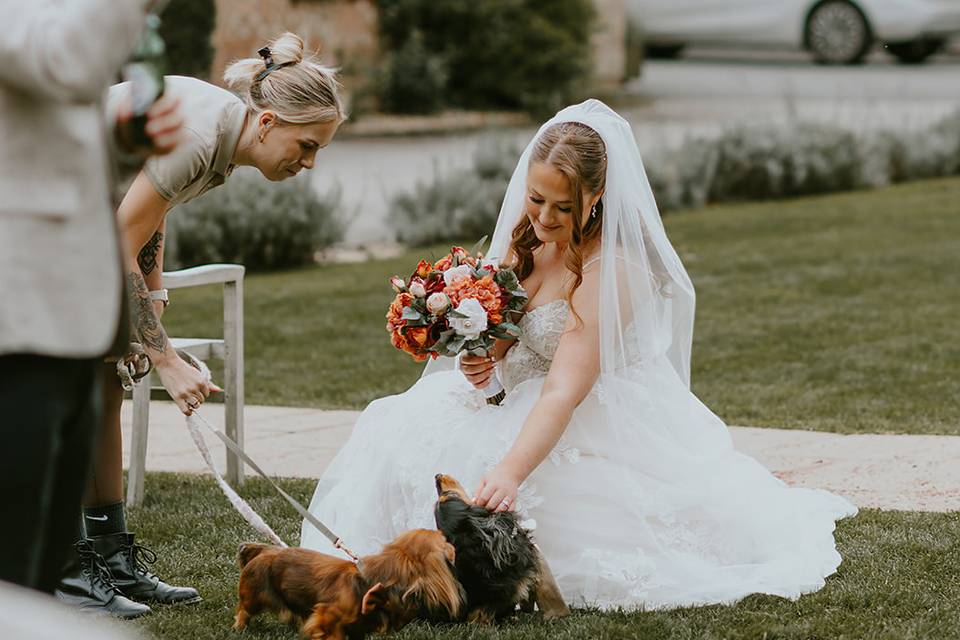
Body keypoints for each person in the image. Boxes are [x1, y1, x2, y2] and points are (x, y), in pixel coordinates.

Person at [301, 99, 858, 610]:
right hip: (516, 396)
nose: (542, 219)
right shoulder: (531, 239)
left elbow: (565, 385)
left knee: (511, 479)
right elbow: (510, 331)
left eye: (561, 208)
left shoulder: (614, 268)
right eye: (535, 199)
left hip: (585, 408)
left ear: (596, 197)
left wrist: (514, 470)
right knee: (404, 430)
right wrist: (482, 356)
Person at [56, 31, 346, 617]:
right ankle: (63, 566)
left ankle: (110, 559)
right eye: (307, 145)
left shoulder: (220, 133)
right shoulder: (198, 135)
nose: (309, 163)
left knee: (105, 384)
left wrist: (151, 308)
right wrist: (166, 358)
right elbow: (117, 236)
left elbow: (146, 214)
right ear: (267, 123)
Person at [0, 0, 179, 610]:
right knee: (15, 558)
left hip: (65, 315)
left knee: (45, 549)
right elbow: (69, 60)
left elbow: (45, 134)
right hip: (17, 314)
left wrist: (124, 141)